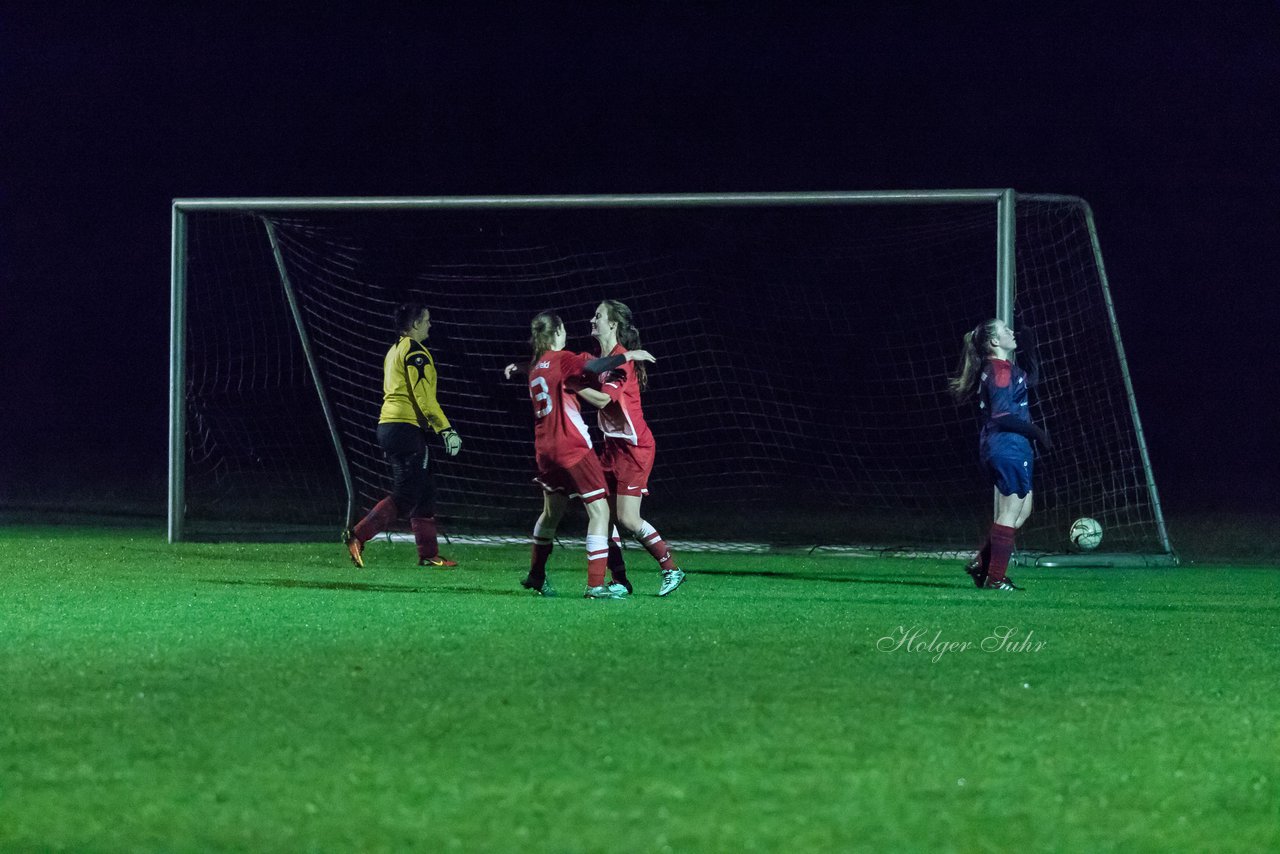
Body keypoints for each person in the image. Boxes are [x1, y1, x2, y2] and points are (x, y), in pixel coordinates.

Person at [505, 311, 655, 599]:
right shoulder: (562, 359)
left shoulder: (537, 367)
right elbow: (596, 364)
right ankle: (596, 585)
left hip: (544, 452)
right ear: (558, 331)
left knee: (551, 513)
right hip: (572, 448)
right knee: (600, 511)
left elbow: (555, 372)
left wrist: (520, 367)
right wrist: (629, 355)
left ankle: (536, 575)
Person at [574, 300, 686, 597]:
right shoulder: (605, 358)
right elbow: (581, 366)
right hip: (612, 447)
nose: (592, 320)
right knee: (602, 515)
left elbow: (602, 400)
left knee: (627, 519)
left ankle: (672, 570)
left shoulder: (621, 361)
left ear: (613, 324)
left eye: (598, 316)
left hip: (635, 449)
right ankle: (620, 581)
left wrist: (571, 385)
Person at [344, 303, 463, 569]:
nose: (431, 325)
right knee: (407, 493)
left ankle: (429, 554)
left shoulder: (395, 349)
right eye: (428, 320)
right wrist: (446, 429)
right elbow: (423, 396)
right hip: (403, 427)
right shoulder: (414, 351)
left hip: (392, 425)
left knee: (425, 489)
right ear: (416, 324)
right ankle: (358, 535)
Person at [949, 318, 1050, 591]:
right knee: (1009, 512)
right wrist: (1036, 431)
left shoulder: (1004, 368)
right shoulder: (999, 371)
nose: (1011, 332)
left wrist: (1030, 350)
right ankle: (995, 577)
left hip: (1010, 446)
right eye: (1005, 330)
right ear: (994, 342)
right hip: (1008, 446)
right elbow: (1002, 415)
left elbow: (1032, 381)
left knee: (1023, 510)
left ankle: (982, 564)